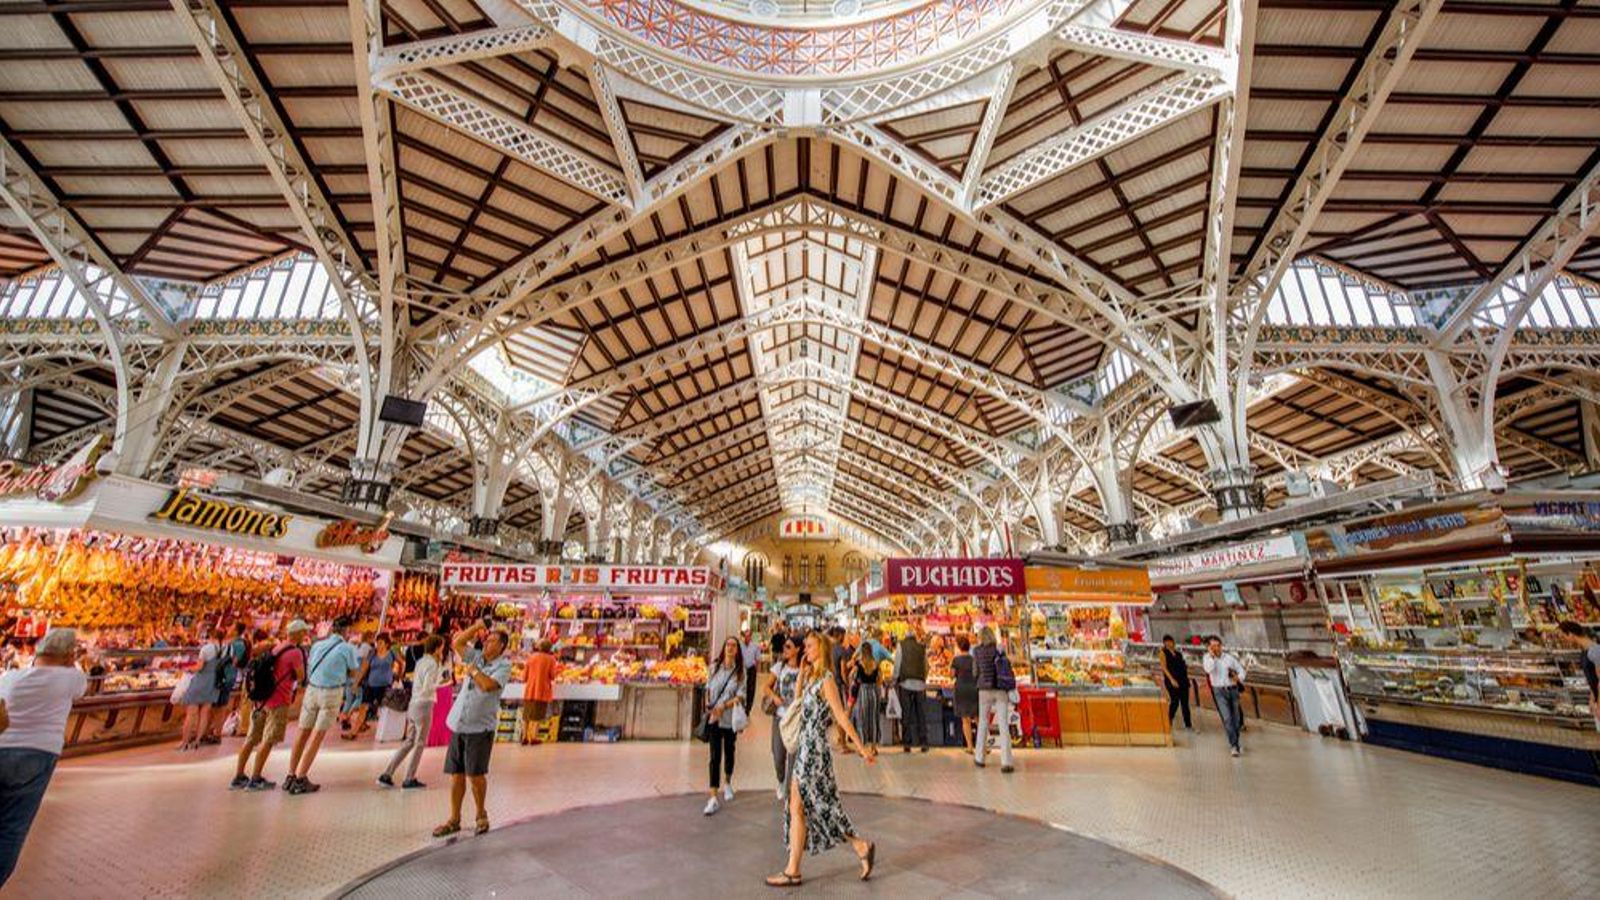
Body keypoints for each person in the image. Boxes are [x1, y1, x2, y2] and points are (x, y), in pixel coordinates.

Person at [764, 629, 877, 888]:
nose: (806, 650)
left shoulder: (826, 680)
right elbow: (798, 705)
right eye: (805, 646)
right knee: (797, 806)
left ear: (821, 649)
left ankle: (860, 845)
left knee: (822, 805)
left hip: (815, 751)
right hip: (804, 747)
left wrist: (861, 748)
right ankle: (793, 869)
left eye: (810, 646)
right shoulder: (812, 677)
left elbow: (840, 715)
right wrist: (801, 675)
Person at [0, 629, 87, 887]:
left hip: (2, 746)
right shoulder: (70, 678)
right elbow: (82, 687)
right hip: (38, 754)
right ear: (68, 655)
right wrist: (72, 662)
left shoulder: (10, 677)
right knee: (12, 828)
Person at [434, 621, 511, 837]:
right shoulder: (476, 657)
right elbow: (458, 643)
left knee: (476, 775)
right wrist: (477, 626)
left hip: (480, 728)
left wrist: (474, 671)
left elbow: (488, 686)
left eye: (492, 641)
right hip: (459, 723)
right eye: (487, 640)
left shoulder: (503, 666)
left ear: (502, 647)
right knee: (456, 774)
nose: (486, 643)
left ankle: (481, 814)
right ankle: (454, 819)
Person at [285, 618, 361, 794]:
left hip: (312, 690)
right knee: (317, 735)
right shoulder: (347, 648)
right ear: (347, 631)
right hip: (331, 692)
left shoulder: (317, 645)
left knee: (302, 732)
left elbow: (310, 666)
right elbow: (353, 672)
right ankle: (301, 778)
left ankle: (290, 775)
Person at [231, 620, 308, 790]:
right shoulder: (295, 652)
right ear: (297, 634)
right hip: (279, 699)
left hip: (261, 698)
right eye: (304, 632)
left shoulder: (276, 647)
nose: (305, 635)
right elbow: (301, 676)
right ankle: (256, 778)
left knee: (251, 738)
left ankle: (238, 776)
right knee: (268, 739)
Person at [381, 634, 444, 789]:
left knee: (409, 741)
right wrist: (441, 683)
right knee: (420, 742)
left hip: (413, 703)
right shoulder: (433, 664)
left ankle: (387, 773)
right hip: (424, 704)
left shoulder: (421, 661)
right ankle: (409, 778)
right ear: (437, 648)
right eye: (441, 647)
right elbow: (427, 687)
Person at [703, 636, 746, 815]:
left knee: (729, 751)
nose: (730, 648)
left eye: (733, 645)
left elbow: (741, 695)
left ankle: (727, 781)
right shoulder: (714, 667)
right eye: (727, 644)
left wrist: (724, 706)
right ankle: (713, 796)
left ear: (737, 650)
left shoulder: (740, 672)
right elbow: (707, 688)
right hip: (714, 718)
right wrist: (709, 705)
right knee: (714, 756)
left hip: (729, 719)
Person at [761, 634, 801, 799]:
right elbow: (765, 687)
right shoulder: (779, 667)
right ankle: (781, 780)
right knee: (778, 755)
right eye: (784, 646)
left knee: (793, 757)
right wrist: (775, 697)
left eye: (788, 647)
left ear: (798, 649)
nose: (784, 649)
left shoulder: (804, 669)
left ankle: (789, 791)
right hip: (779, 718)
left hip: (796, 720)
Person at [345, 632, 403, 740]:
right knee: (363, 708)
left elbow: (401, 663)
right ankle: (353, 732)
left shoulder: (392, 653)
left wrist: (399, 676)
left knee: (386, 710)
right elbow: (364, 668)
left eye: (380, 643)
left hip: (385, 686)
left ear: (386, 644)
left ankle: (389, 732)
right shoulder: (372, 653)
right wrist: (356, 683)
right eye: (377, 642)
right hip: (371, 686)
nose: (378, 645)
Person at [972, 627, 1015, 773]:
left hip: (984, 690)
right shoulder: (998, 649)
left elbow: (975, 672)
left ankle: (979, 757)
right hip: (1000, 688)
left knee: (983, 723)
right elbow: (1006, 667)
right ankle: (1006, 761)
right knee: (1003, 724)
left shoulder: (976, 651)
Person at [176, 627, 223, 751]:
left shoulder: (206, 649)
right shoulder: (225, 649)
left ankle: (184, 742)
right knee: (204, 713)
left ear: (210, 636)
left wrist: (187, 669)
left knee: (191, 713)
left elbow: (199, 667)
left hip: (201, 681)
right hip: (214, 683)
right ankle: (197, 741)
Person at [1202, 636, 1246, 757]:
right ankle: (1234, 745)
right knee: (1227, 718)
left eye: (1217, 645)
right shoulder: (1207, 658)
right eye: (1212, 646)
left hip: (1233, 690)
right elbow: (1208, 669)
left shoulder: (1229, 658)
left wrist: (1238, 677)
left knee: (1236, 719)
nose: (1216, 648)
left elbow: (1241, 670)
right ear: (1209, 647)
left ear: (1221, 646)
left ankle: (1236, 742)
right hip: (1219, 691)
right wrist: (1212, 657)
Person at [1557, 621, 1600, 730]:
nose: (1563, 640)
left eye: (1563, 636)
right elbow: (1594, 679)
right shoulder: (1585, 651)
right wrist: (1592, 699)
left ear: (1570, 634)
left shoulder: (1594, 651)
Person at [893, 629, 930, 753]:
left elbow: (897, 664)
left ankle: (907, 743)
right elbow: (926, 666)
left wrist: (895, 679)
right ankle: (923, 742)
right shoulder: (922, 647)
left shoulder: (901, 645)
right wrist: (923, 678)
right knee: (921, 714)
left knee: (906, 714)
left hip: (905, 684)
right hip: (920, 685)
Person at [519, 640, 558, 744]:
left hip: (530, 689)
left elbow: (524, 676)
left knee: (526, 714)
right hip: (542, 690)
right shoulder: (551, 659)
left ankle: (524, 736)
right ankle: (533, 737)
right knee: (538, 715)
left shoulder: (531, 657)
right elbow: (552, 676)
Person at [848, 643, 882, 754]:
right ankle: (873, 747)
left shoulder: (859, 664)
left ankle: (863, 747)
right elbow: (880, 680)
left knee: (862, 719)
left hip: (863, 692)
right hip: (874, 692)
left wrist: (853, 683)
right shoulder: (876, 664)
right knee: (874, 719)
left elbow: (851, 676)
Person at [1161, 634, 1192, 731]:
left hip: (1183, 680)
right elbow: (1164, 667)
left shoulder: (1178, 654)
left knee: (1185, 703)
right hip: (1172, 681)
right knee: (1175, 702)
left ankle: (1188, 724)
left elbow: (1182, 665)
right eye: (1166, 642)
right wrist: (1171, 679)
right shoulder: (1163, 653)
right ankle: (1168, 719)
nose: (1168, 643)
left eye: (1170, 641)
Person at [951, 634, 978, 750]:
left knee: (965, 720)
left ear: (958, 647)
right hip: (973, 689)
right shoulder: (974, 660)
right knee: (978, 719)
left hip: (961, 689)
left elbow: (952, 675)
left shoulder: (956, 660)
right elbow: (977, 673)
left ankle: (970, 746)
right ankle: (983, 745)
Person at [739, 627, 761, 715]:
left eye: (748, 636)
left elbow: (758, 659)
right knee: (742, 687)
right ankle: (741, 706)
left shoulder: (755, 646)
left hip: (751, 669)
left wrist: (756, 669)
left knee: (751, 688)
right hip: (742, 668)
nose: (746, 638)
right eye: (745, 636)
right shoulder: (740, 645)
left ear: (751, 637)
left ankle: (748, 708)